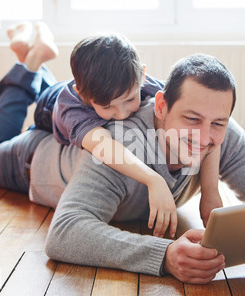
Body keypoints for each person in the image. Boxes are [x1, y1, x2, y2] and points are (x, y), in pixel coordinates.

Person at [0, 25, 245, 284]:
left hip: (83, 117)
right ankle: (27, 70)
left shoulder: (217, 132)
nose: (204, 137)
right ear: (161, 106)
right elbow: (65, 232)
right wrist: (164, 255)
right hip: (33, 160)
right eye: (191, 119)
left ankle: (38, 76)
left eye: (218, 122)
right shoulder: (116, 145)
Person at [31, 27, 223, 238]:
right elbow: (104, 147)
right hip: (48, 105)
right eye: (107, 107)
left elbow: (206, 119)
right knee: (36, 103)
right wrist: (154, 179)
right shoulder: (73, 107)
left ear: (142, 75)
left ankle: (39, 65)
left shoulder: (144, 83)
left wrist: (210, 191)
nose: (121, 114)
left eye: (130, 100)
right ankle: (32, 67)